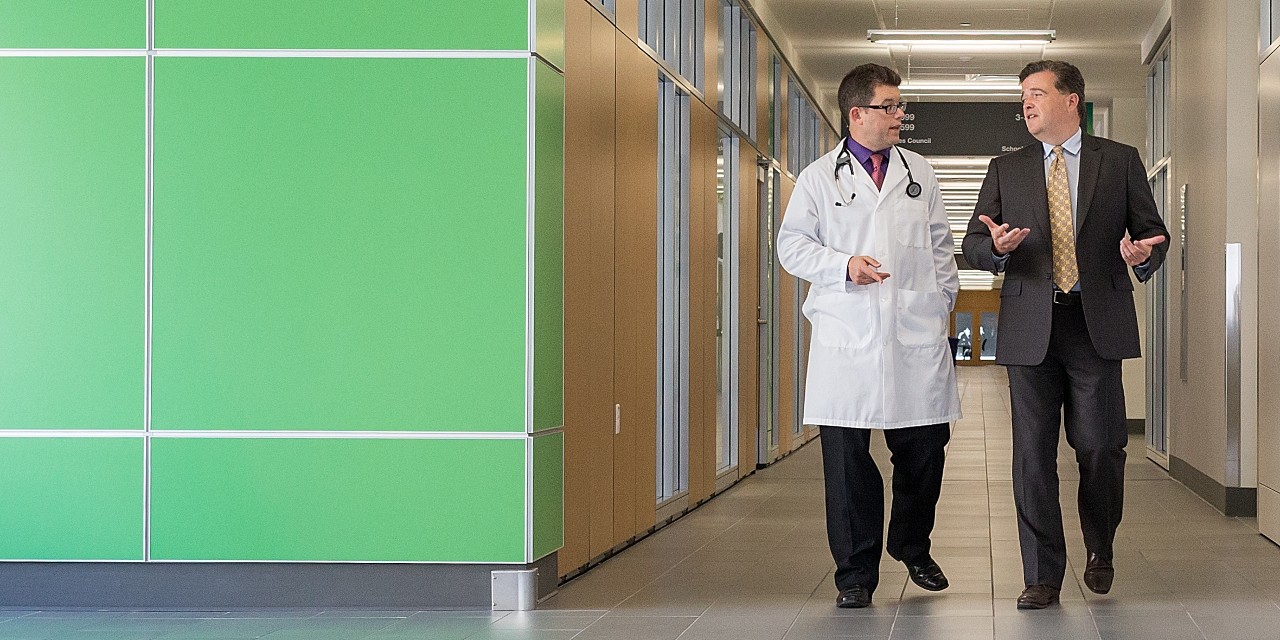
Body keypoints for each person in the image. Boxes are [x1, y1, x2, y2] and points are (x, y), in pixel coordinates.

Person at [961, 60, 1169, 610]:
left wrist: (1142, 254)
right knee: (1032, 455)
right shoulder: (1006, 168)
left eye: (1036, 93)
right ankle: (1042, 575)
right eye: (1022, 96)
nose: (1026, 104)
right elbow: (973, 245)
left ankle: (1100, 546)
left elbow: (1153, 233)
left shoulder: (1119, 161)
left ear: (1071, 99)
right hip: (1031, 324)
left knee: (1101, 447)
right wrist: (997, 250)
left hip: (1093, 322)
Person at [777, 63, 961, 609]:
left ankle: (910, 543)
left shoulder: (919, 172)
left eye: (900, 107)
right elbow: (792, 246)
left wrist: (938, 303)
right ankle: (854, 574)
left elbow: (940, 248)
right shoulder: (817, 177)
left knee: (926, 449)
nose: (900, 116)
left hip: (914, 335)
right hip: (846, 338)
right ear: (857, 114)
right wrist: (842, 265)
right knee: (848, 463)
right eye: (890, 107)